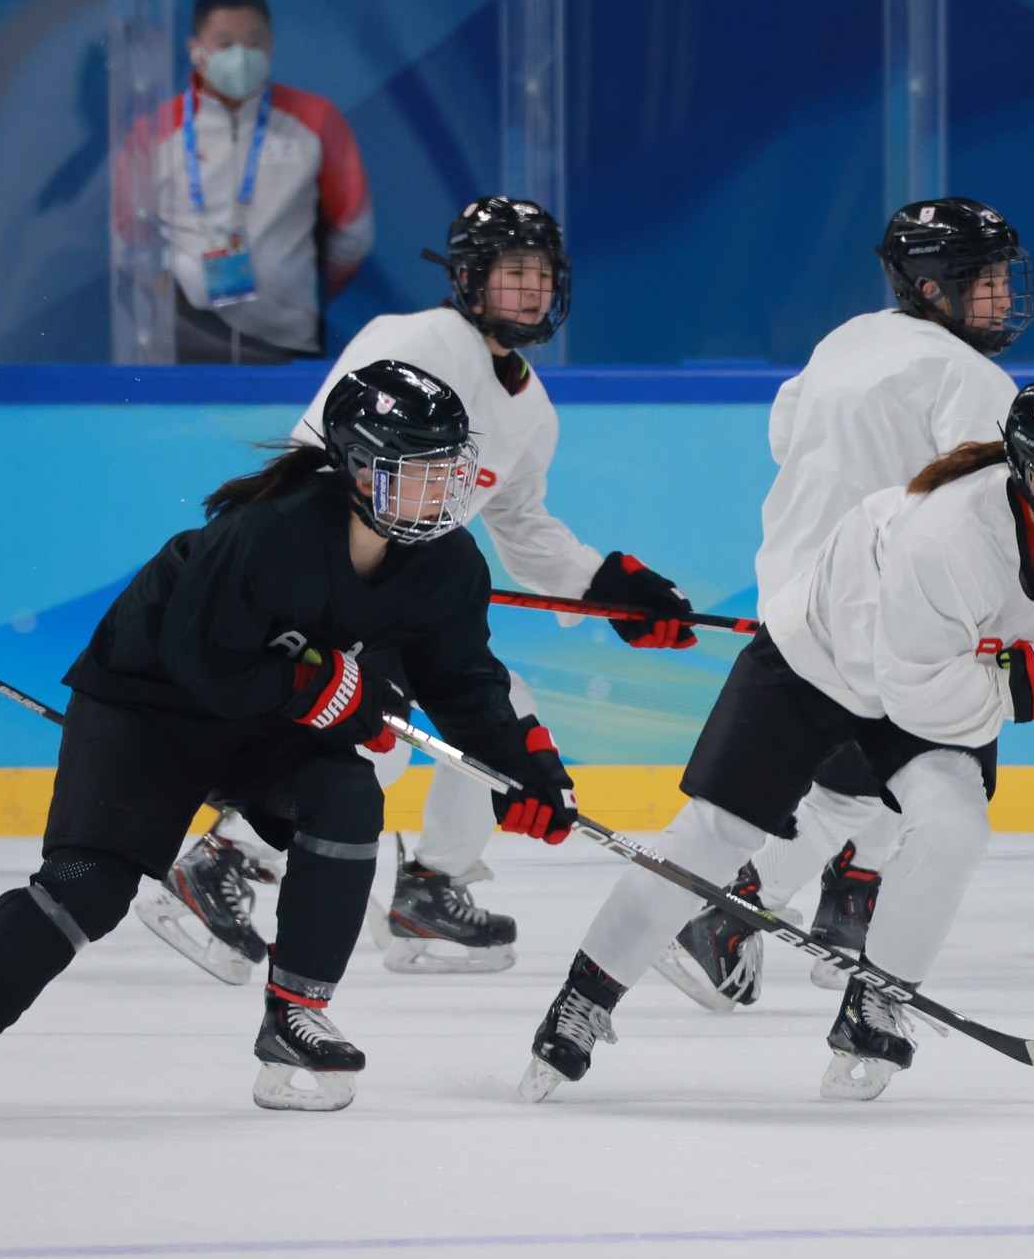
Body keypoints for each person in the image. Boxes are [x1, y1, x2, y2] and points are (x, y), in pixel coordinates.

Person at [521, 371, 1034, 1103]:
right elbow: (918, 696)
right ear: (1032, 481)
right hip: (821, 660)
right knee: (714, 834)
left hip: (931, 673)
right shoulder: (947, 538)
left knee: (956, 827)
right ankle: (583, 1000)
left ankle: (876, 1004)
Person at [0, 361, 581, 1116]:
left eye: (449, 471)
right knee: (89, 888)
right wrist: (317, 687)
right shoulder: (271, 532)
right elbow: (200, 660)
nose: (442, 492)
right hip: (149, 707)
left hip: (263, 723)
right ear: (361, 468)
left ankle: (293, 1014)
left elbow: (463, 680)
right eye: (418, 471)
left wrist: (525, 770)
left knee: (345, 796)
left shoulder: (447, 565)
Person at [135, 196, 698, 981]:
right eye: (513, 274)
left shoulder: (531, 406)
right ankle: (224, 862)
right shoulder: (415, 342)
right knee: (380, 741)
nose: (532, 291)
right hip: (333, 590)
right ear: (467, 278)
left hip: (398, 596)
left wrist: (608, 587)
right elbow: (325, 462)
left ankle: (432, 886)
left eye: (543, 274)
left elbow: (523, 527)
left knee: (506, 708)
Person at [653, 197, 1033, 1014]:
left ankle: (846, 904)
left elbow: (786, 439)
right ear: (934, 289)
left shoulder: (848, 339)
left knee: (878, 774)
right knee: (908, 766)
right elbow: (988, 512)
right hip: (875, 611)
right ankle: (728, 912)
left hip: (796, 596)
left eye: (1004, 277)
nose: (1003, 295)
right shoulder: (973, 379)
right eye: (987, 280)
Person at [129, 0, 374, 363]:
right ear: (195, 50)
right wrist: (170, 298)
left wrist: (298, 288)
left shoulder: (317, 120)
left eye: (254, 41)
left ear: (272, 45)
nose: (240, 56)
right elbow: (131, 236)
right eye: (225, 43)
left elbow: (353, 232)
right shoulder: (153, 131)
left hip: (288, 336)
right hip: (185, 337)